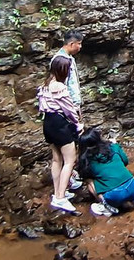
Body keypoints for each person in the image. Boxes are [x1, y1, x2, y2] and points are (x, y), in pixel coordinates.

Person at [37, 55, 82, 213]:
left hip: (48, 123)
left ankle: (57, 193)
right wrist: (78, 124)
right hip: (60, 124)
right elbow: (69, 109)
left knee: (57, 159)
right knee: (70, 160)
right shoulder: (61, 88)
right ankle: (61, 198)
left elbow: (41, 107)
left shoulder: (45, 84)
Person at [76, 128, 134, 217]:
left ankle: (105, 205)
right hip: (133, 186)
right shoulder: (113, 147)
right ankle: (127, 199)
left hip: (114, 195)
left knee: (89, 180)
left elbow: (84, 176)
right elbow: (125, 161)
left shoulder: (86, 161)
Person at [50, 30, 85, 191]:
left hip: (63, 111)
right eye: (79, 44)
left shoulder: (67, 58)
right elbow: (63, 90)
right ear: (71, 44)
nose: (80, 46)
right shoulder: (61, 61)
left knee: (58, 156)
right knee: (68, 152)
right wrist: (74, 114)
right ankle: (62, 193)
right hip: (65, 111)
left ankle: (67, 181)